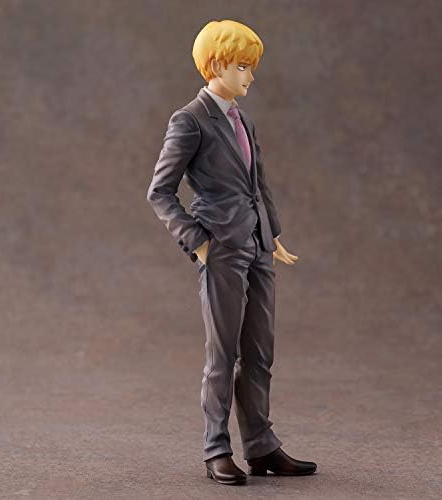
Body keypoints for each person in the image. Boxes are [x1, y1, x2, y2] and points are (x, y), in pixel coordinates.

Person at [146, 19, 317, 485]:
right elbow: (160, 191)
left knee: (259, 351)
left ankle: (260, 445)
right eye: (242, 66)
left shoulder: (244, 120)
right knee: (222, 353)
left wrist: (272, 235)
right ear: (216, 64)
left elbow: (257, 183)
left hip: (257, 245)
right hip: (220, 246)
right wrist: (198, 242)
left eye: (251, 66)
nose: (250, 75)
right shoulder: (189, 120)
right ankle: (216, 448)